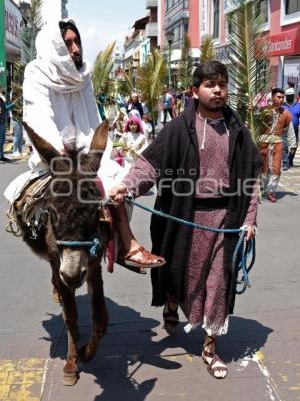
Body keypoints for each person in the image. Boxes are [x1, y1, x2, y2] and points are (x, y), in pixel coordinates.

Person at [109, 61, 261, 379]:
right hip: (184, 219)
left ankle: (210, 346)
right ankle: (172, 301)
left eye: (222, 83)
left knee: (218, 283)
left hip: (225, 220)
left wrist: (249, 220)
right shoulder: (179, 128)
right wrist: (127, 185)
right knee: (181, 276)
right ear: (194, 91)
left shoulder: (238, 130)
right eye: (210, 84)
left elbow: (252, 177)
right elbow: (149, 165)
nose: (218, 90)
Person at [4, 19, 165, 270]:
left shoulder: (84, 75)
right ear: (54, 46)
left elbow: (93, 119)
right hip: (53, 158)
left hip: (86, 156)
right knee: (44, 199)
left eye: (77, 41)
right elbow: (38, 117)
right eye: (68, 43)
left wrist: (98, 152)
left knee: (115, 185)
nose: (76, 48)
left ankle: (126, 245)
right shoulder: (36, 73)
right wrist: (58, 155)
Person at [258, 88, 295, 202]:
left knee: (276, 168)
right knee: (262, 167)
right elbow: (252, 124)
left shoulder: (286, 114)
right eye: (278, 97)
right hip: (263, 143)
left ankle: (271, 192)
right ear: (272, 97)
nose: (281, 99)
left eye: (282, 97)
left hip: (278, 143)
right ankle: (260, 188)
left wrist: (292, 144)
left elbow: (289, 130)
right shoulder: (263, 111)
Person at [283, 87, 300, 167]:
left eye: (291, 95)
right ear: (286, 96)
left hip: (295, 129)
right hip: (285, 129)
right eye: (288, 95)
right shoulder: (283, 106)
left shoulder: (298, 106)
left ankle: (290, 158)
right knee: (285, 145)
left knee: (294, 145)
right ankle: (285, 161)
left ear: (294, 96)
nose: (290, 96)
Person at [0, 88, 13, 163]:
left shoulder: (1, 100)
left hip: (2, 122)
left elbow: (4, 109)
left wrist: (11, 105)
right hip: (0, 122)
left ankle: (1, 156)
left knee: (2, 140)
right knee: (1, 140)